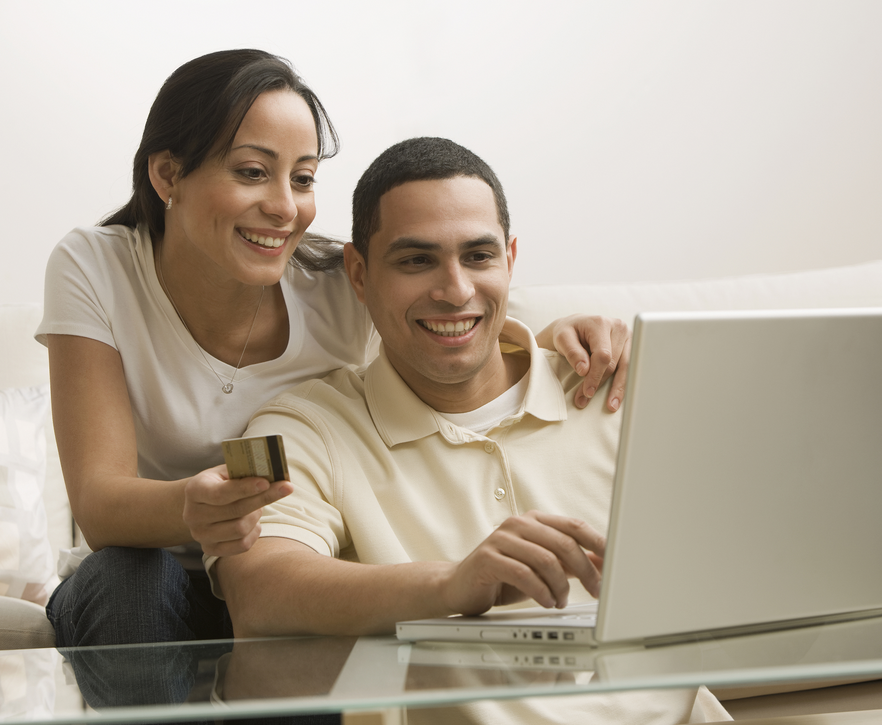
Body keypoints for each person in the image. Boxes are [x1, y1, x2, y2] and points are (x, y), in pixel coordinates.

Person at [35, 50, 631, 651]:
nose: (285, 207)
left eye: (302, 178)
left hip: (296, 553)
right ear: (167, 175)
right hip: (151, 573)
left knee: (314, 636)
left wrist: (566, 330)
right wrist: (199, 506)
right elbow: (100, 503)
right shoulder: (97, 265)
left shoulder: (330, 284)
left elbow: (464, 307)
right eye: (251, 172)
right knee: (133, 581)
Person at [210, 137, 729, 724]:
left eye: (478, 257)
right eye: (416, 260)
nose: (455, 290)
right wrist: (452, 586)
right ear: (359, 273)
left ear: (509, 259)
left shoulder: (614, 383)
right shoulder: (300, 427)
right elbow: (259, 591)